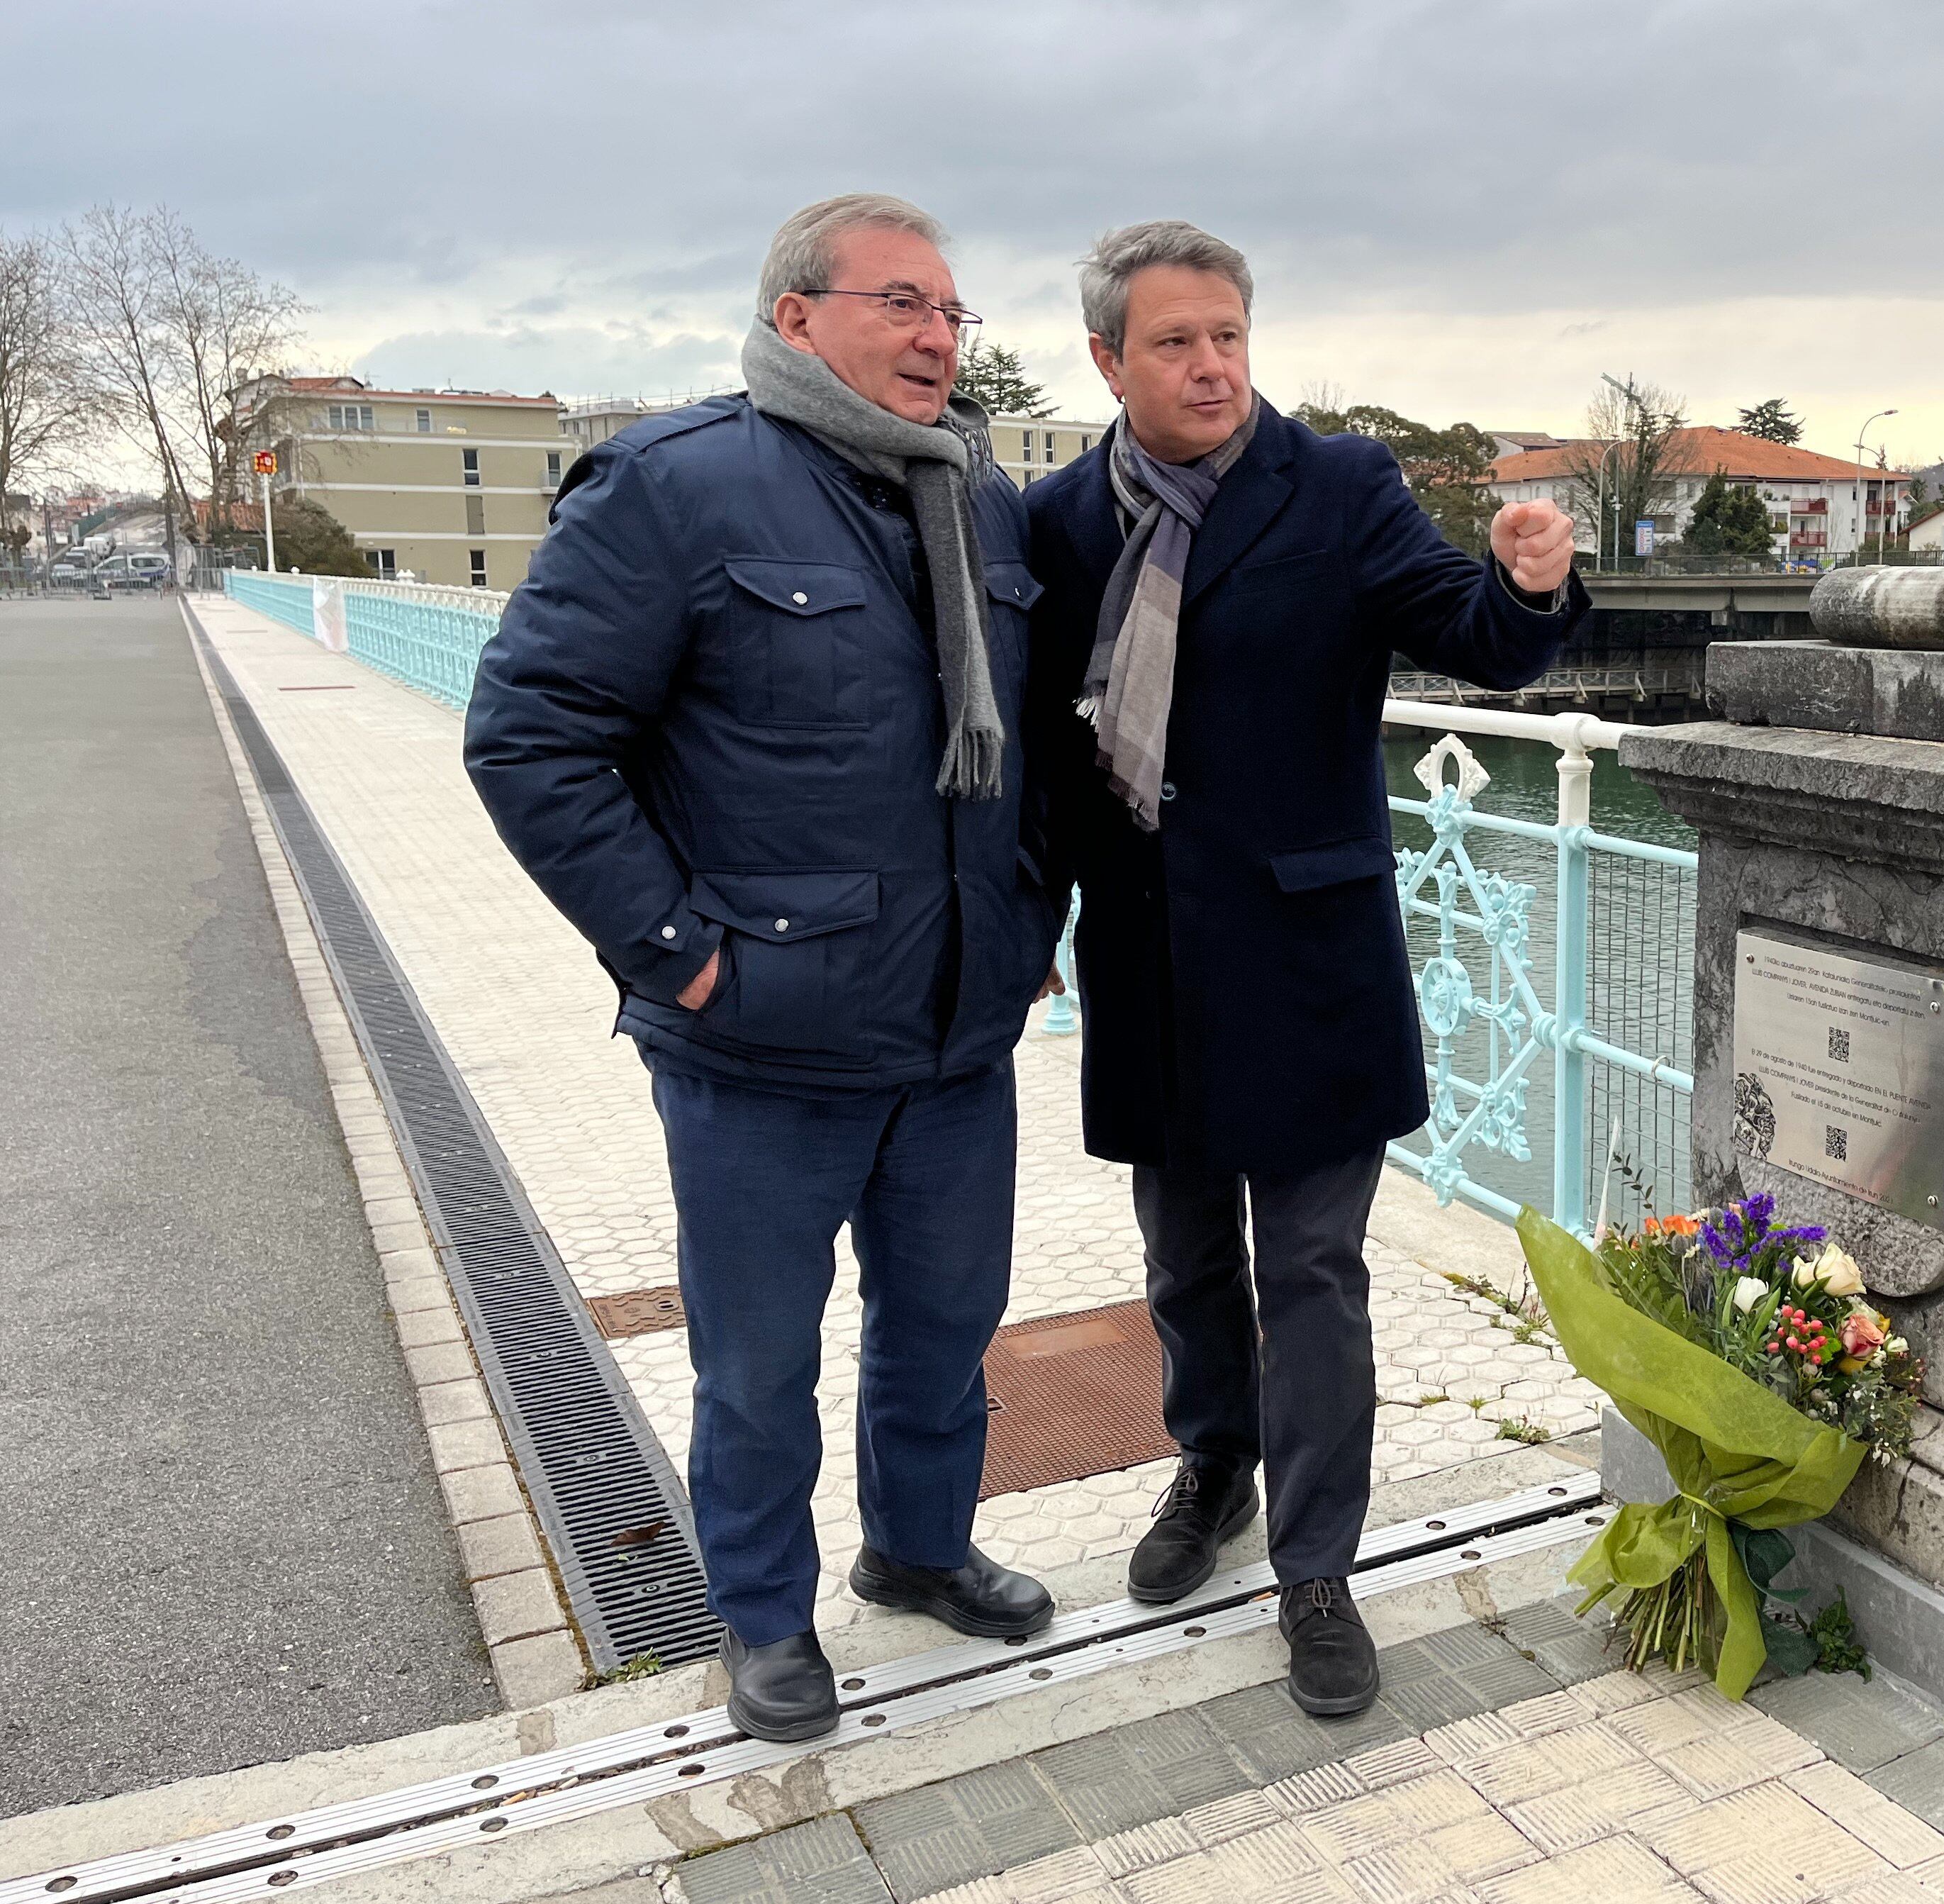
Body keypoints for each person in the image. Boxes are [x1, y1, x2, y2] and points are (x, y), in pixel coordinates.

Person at [464, 193, 1061, 1744]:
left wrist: (1031, 922)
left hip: (954, 1036)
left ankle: (920, 1551)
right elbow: (532, 736)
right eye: (901, 304)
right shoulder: (676, 488)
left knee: (944, 1330)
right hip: (764, 1042)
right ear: (795, 316)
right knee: (756, 1366)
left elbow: (1029, 755)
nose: (938, 338)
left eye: (954, 312)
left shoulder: (978, 500)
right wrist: (680, 955)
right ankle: (760, 1618)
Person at [1024, 220, 1583, 1718]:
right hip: (1146, 954)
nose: (1212, 367)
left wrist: (1526, 589)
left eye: (1230, 337)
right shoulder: (1061, 520)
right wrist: (1026, 929)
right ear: (1107, 360)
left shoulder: (1338, 490)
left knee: (1316, 1268)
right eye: (1176, 343)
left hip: (1308, 955)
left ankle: (1318, 1562)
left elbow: (1475, 637)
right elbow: (1043, 755)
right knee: (1186, 1257)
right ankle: (1210, 1463)